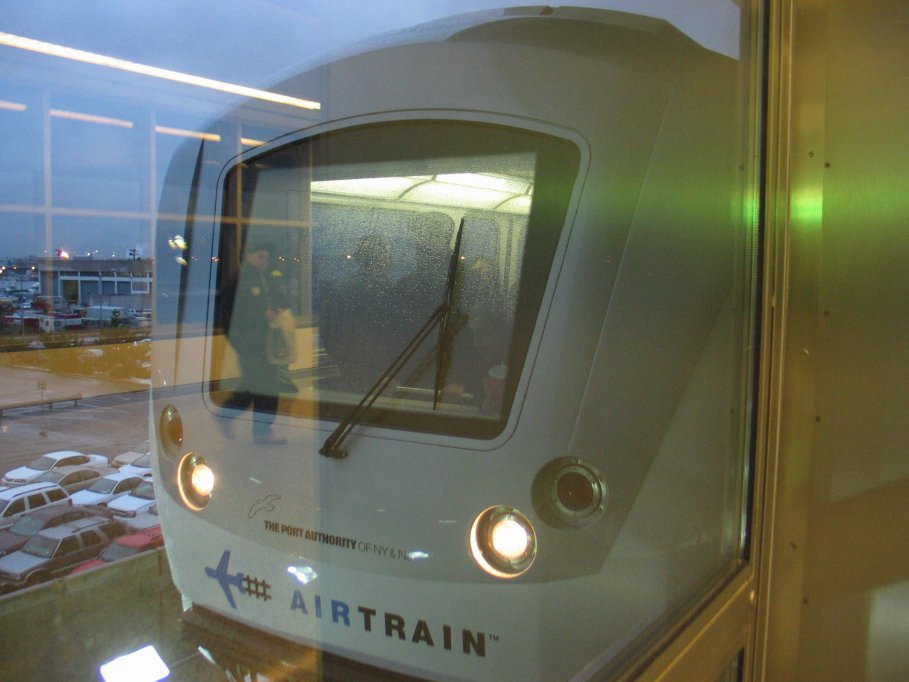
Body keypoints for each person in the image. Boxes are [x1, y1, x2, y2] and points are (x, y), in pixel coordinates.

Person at [219, 242, 287, 445]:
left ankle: (256, 428)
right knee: (265, 386)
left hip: (258, 343)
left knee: (255, 384)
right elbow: (237, 313)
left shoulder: (259, 278)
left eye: (266, 258)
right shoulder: (242, 281)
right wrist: (263, 316)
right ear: (248, 256)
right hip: (251, 343)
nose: (264, 262)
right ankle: (256, 428)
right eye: (260, 256)